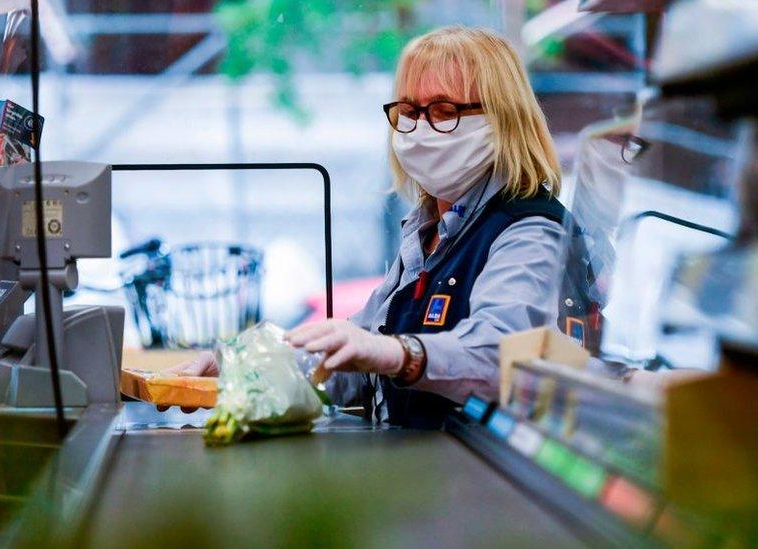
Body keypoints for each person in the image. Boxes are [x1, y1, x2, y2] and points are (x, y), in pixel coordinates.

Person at [171, 25, 572, 428]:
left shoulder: (530, 230)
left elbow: (498, 360)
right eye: (410, 112)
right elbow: (354, 359)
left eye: (445, 111)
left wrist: (395, 353)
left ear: (503, 119)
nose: (419, 129)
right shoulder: (428, 228)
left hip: (487, 477)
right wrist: (241, 368)